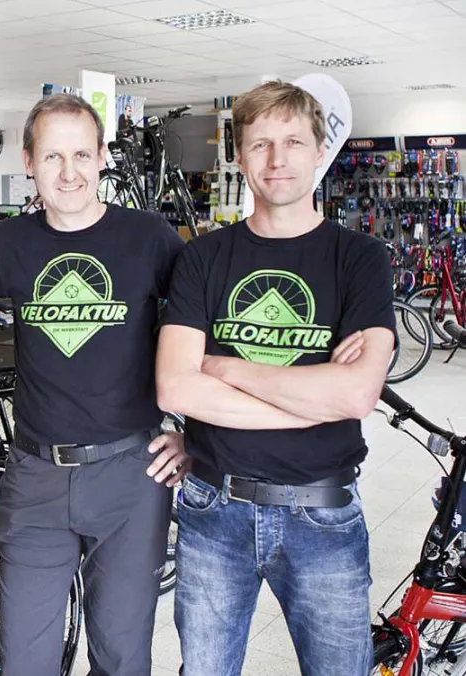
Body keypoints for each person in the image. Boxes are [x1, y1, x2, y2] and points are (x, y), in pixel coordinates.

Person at [0, 93, 189, 676]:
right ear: (28, 162)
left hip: (130, 476)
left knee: (122, 658)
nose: (69, 172)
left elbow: (197, 329)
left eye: (82, 154)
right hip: (35, 482)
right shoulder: (10, 243)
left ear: (103, 157)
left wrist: (190, 432)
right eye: (53, 156)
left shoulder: (149, 238)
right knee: (25, 660)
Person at [157, 81, 396, 676]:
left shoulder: (360, 258)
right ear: (240, 157)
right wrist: (314, 396)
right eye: (260, 143)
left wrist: (227, 367)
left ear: (321, 150)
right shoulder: (204, 258)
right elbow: (176, 389)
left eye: (293, 141)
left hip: (323, 515)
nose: (277, 158)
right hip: (214, 510)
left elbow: (357, 393)